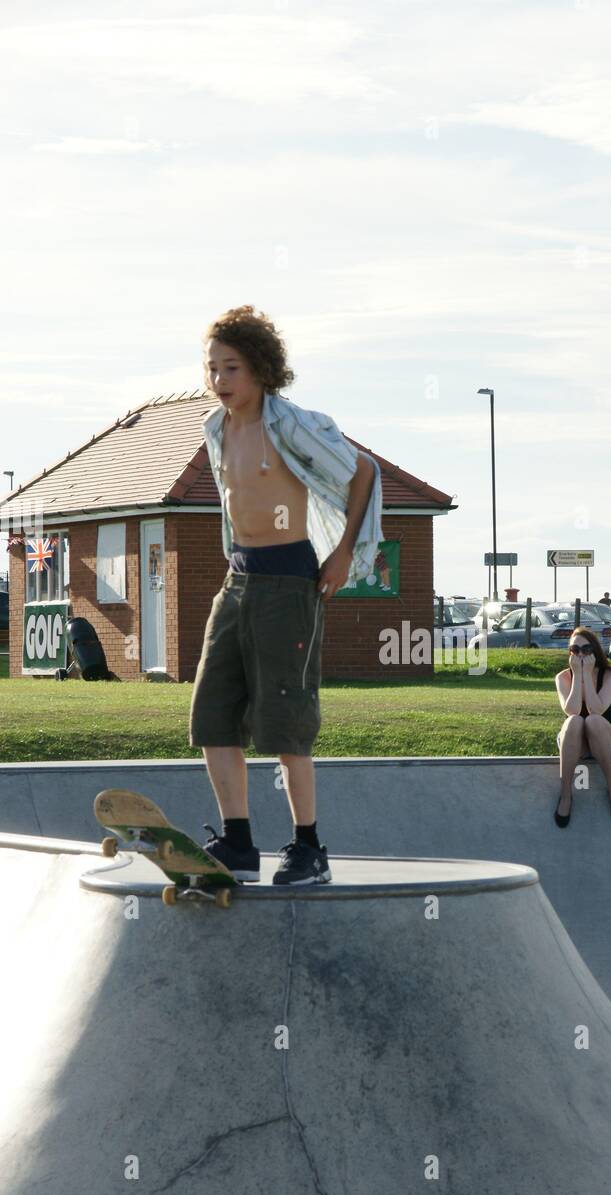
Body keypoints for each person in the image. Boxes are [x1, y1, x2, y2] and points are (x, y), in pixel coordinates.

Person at [190, 304, 383, 885]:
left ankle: (308, 846)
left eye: (232, 369)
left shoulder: (291, 423)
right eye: (213, 369)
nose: (221, 381)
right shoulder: (215, 429)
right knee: (212, 712)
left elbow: (363, 471)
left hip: (288, 580)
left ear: (261, 371)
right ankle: (239, 843)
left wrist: (344, 551)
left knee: (285, 720)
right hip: (238, 579)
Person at [554, 626, 611, 825]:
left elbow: (596, 710)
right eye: (575, 650)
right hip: (574, 740)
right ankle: (566, 794)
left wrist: (587, 674)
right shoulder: (563, 677)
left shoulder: (610, 675)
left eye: (586, 649)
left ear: (595, 650)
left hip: (604, 737)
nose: (581, 654)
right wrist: (578, 675)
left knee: (592, 720)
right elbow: (572, 710)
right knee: (575, 721)